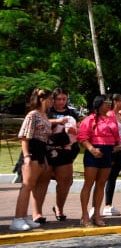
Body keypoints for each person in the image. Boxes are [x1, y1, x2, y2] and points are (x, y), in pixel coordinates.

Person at [11, 88, 54, 231]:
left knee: (32, 185)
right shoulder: (33, 115)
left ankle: (24, 216)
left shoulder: (44, 115)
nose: (52, 102)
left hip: (41, 152)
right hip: (32, 151)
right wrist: (26, 156)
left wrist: (45, 159)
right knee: (27, 185)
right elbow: (25, 137)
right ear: (42, 99)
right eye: (50, 99)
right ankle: (17, 218)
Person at [77, 95, 120, 227]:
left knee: (101, 184)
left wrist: (116, 146)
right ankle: (84, 215)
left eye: (109, 102)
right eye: (106, 102)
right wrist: (92, 149)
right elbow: (82, 137)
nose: (109, 104)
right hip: (93, 153)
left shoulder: (111, 119)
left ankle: (96, 214)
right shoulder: (90, 119)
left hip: (107, 153)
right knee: (89, 183)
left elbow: (116, 137)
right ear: (99, 104)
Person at [46, 87, 81, 222]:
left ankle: (59, 207)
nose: (61, 102)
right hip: (48, 149)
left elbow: (79, 129)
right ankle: (36, 212)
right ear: (53, 99)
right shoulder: (48, 111)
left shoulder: (72, 112)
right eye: (58, 99)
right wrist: (56, 123)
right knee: (41, 181)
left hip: (66, 150)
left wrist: (75, 130)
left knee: (65, 182)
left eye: (64, 99)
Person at [103, 94, 121, 216]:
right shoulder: (110, 114)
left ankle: (109, 204)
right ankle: (101, 205)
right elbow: (107, 131)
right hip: (113, 149)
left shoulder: (120, 115)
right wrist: (113, 145)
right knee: (106, 177)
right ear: (115, 101)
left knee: (113, 177)